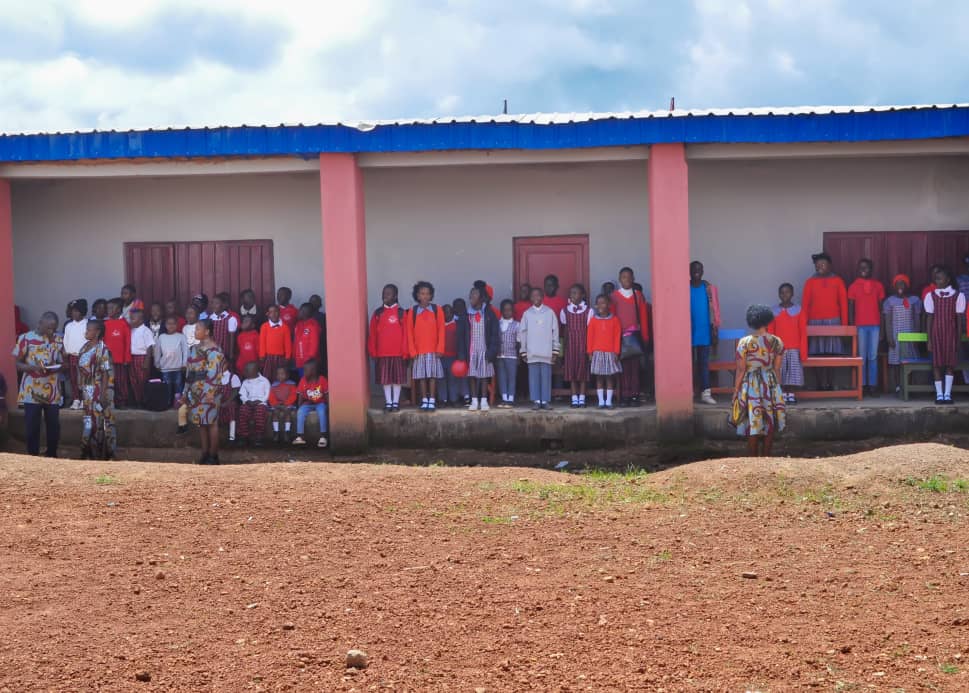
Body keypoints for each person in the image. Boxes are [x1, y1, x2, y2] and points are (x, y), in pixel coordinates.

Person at [730, 305, 786, 457]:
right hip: (770, 382)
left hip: (750, 384)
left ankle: (753, 459)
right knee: (769, 420)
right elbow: (777, 368)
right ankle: (766, 456)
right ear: (768, 321)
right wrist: (778, 389)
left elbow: (741, 370)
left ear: (751, 321)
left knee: (752, 419)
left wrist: (736, 391)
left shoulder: (744, 342)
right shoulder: (777, 342)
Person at [13, 312, 64, 457]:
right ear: (40, 323)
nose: (51, 331)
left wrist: (57, 366)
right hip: (31, 391)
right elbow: (17, 364)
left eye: (53, 328)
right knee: (32, 426)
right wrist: (34, 368)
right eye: (48, 328)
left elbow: (65, 363)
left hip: (52, 390)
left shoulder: (59, 339)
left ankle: (52, 454)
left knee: (54, 426)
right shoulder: (25, 338)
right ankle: (33, 456)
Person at [182, 319, 226, 464]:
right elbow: (189, 371)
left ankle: (213, 455)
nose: (195, 332)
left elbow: (214, 373)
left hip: (209, 390)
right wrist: (186, 391)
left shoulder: (214, 350)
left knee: (211, 422)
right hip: (195, 391)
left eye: (198, 329)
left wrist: (209, 392)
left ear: (207, 331)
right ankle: (205, 453)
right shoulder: (193, 349)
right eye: (195, 329)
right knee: (201, 423)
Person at [802, 252, 848, 390]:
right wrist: (804, 325)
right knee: (815, 354)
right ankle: (819, 383)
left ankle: (829, 382)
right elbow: (805, 305)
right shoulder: (809, 282)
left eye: (822, 264)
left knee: (832, 354)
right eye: (817, 265)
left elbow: (843, 304)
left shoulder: (838, 281)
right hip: (814, 323)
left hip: (833, 322)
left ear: (829, 265)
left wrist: (844, 326)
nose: (819, 267)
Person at [924, 266, 965, 404]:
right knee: (936, 364)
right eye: (936, 278)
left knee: (949, 364)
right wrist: (929, 339)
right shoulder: (931, 296)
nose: (937, 281)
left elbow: (959, 319)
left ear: (947, 280)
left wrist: (958, 338)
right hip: (937, 334)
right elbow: (929, 318)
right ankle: (939, 394)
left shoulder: (958, 296)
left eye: (940, 278)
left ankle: (947, 394)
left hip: (951, 334)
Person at [611, 267, 650, 407]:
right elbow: (612, 319)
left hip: (634, 338)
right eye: (623, 277)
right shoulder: (614, 296)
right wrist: (613, 339)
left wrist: (645, 337)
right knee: (623, 368)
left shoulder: (638, 295)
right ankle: (624, 395)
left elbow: (644, 318)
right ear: (619, 279)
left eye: (629, 277)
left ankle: (634, 395)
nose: (626, 280)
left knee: (635, 368)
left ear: (633, 279)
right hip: (621, 338)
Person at [77, 319, 116, 460]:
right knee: (88, 420)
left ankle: (103, 454)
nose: (86, 332)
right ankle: (88, 451)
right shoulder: (84, 347)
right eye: (86, 329)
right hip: (87, 390)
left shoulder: (103, 349)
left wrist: (103, 395)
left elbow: (106, 372)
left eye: (89, 329)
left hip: (99, 389)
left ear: (97, 332)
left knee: (100, 421)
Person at [456, 285, 499, 411]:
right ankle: (474, 400)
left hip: (485, 351)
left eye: (474, 294)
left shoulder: (489, 314)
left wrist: (491, 351)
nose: (471, 297)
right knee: (472, 376)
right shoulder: (466, 315)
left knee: (484, 376)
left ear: (482, 298)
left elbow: (494, 334)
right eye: (471, 294)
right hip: (472, 351)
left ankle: (484, 400)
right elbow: (460, 336)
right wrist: (462, 354)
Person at [847, 258, 886, 396]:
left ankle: (873, 385)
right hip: (860, 326)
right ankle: (861, 385)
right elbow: (850, 307)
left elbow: (881, 309)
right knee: (862, 356)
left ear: (871, 269)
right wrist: (852, 326)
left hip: (875, 325)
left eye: (867, 267)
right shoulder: (853, 286)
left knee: (873, 356)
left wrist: (882, 328)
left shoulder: (878, 285)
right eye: (861, 267)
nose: (864, 270)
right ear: (858, 269)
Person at [519, 286, 560, 411]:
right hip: (532, 352)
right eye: (533, 296)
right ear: (530, 298)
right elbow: (523, 333)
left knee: (546, 377)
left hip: (546, 352)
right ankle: (536, 401)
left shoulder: (549, 312)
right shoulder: (527, 314)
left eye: (538, 295)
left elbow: (555, 332)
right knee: (533, 377)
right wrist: (523, 350)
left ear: (542, 297)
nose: (536, 298)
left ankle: (545, 401)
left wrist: (555, 350)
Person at [368, 284, 408, 412]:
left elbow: (406, 334)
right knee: (385, 379)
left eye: (389, 293)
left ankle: (395, 403)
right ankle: (388, 402)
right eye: (384, 293)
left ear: (395, 296)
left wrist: (405, 351)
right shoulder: (378, 313)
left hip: (398, 353)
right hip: (382, 353)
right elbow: (372, 334)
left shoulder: (401, 313)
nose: (385, 295)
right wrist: (373, 351)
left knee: (397, 379)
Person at [407, 281, 446, 412]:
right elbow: (409, 333)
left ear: (431, 296)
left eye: (427, 294)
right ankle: (424, 400)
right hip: (419, 351)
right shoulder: (412, 311)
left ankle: (432, 400)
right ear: (417, 295)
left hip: (433, 351)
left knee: (432, 377)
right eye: (422, 293)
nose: (425, 296)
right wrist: (412, 351)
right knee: (422, 377)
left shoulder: (437, 310)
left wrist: (440, 348)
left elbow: (441, 330)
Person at [768, 283, 808, 404]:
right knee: (780, 371)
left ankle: (791, 393)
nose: (784, 295)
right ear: (779, 294)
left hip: (794, 347)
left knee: (792, 372)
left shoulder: (799, 310)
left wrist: (803, 351)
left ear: (792, 294)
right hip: (779, 349)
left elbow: (802, 331)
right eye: (782, 292)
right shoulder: (774, 311)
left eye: (787, 292)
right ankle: (782, 394)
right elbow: (770, 332)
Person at [882, 275, 922, 395]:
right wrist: (889, 337)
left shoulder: (914, 300)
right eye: (898, 284)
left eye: (903, 284)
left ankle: (909, 385)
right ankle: (898, 386)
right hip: (896, 336)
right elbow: (888, 321)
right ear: (894, 286)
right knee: (896, 363)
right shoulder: (890, 301)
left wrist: (916, 336)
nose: (900, 286)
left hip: (910, 337)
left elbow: (917, 319)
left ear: (907, 286)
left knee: (910, 361)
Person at [689, 261, 721, 405]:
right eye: (693, 269)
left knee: (703, 364)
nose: (696, 271)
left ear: (703, 271)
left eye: (699, 269)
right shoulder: (684, 287)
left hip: (704, 332)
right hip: (688, 333)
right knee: (688, 364)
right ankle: (688, 392)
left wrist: (715, 329)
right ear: (689, 271)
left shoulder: (708, 288)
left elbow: (715, 310)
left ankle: (705, 393)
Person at [587, 293, 622, 409]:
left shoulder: (615, 320)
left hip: (610, 353)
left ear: (609, 305)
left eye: (604, 303)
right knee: (599, 378)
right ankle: (601, 401)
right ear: (596, 306)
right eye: (599, 303)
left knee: (609, 378)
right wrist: (590, 352)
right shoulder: (593, 320)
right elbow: (590, 337)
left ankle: (609, 402)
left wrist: (616, 352)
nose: (601, 305)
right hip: (597, 353)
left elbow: (617, 337)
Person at [561, 283, 590, 408]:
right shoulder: (565, 311)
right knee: (572, 372)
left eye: (575, 292)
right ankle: (574, 398)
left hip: (583, 345)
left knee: (582, 372)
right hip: (571, 346)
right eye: (571, 293)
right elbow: (565, 330)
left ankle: (582, 398)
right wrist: (564, 348)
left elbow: (590, 331)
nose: (572, 295)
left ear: (582, 295)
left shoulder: (589, 311)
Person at [293, 359, 328, 448]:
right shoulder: (303, 380)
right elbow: (300, 395)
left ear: (313, 371)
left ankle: (323, 436)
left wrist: (329, 406)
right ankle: (300, 436)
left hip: (320, 402)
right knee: (300, 412)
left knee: (322, 412)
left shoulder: (322, 380)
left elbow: (326, 394)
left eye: (305, 370)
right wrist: (299, 406)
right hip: (307, 403)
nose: (304, 372)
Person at [154, 316, 189, 407]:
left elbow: (185, 351)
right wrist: (157, 364)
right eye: (169, 324)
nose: (171, 326)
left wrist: (184, 364)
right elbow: (157, 351)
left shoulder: (181, 337)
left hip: (178, 367)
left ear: (177, 325)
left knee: (178, 386)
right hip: (165, 368)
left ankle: (178, 403)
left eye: (173, 323)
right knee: (167, 387)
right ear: (165, 325)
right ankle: (167, 403)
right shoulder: (161, 337)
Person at [103, 299, 131, 409]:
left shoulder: (124, 324)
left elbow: (128, 342)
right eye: (108, 308)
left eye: (111, 308)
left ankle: (121, 401)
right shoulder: (105, 324)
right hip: (108, 360)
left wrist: (126, 359)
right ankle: (110, 401)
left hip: (120, 360)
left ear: (118, 309)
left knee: (121, 381)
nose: (108, 310)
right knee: (109, 381)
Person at [237, 361, 271, 447]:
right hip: (249, 403)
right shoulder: (245, 382)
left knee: (259, 413)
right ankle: (244, 436)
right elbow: (242, 395)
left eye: (247, 371)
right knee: (242, 410)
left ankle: (259, 437)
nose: (245, 372)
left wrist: (259, 401)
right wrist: (247, 401)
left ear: (255, 371)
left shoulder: (264, 381)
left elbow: (267, 394)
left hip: (260, 403)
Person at [64, 299, 89, 410]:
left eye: (77, 311)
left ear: (83, 312)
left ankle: (85, 399)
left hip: (85, 356)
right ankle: (76, 399)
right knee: (73, 378)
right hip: (72, 356)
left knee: (85, 379)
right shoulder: (69, 326)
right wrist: (66, 353)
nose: (74, 313)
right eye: (73, 311)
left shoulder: (88, 324)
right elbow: (66, 341)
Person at [128, 309, 155, 408]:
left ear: (141, 320)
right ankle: (137, 400)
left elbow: (149, 347)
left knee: (142, 380)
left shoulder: (146, 331)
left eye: (133, 319)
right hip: (132, 358)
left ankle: (144, 401)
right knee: (133, 380)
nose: (131, 321)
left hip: (142, 358)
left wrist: (147, 362)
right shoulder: (131, 330)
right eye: (130, 319)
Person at [496, 299, 520, 408]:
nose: (507, 312)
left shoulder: (516, 325)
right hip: (500, 355)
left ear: (513, 311)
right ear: (501, 311)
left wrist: (519, 356)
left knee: (511, 377)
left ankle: (511, 398)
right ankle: (504, 398)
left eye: (509, 310)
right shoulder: (498, 323)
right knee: (502, 377)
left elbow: (519, 341)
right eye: (505, 310)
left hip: (512, 355)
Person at [259, 304, 292, 381]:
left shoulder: (285, 327)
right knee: (267, 377)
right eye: (271, 312)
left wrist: (287, 357)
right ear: (268, 314)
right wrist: (262, 355)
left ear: (280, 313)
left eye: (275, 311)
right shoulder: (264, 326)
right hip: (268, 358)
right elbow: (262, 342)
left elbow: (288, 343)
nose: (273, 314)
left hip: (281, 358)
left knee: (280, 377)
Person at [437, 304, 459, 408]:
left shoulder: (456, 325)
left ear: (453, 313)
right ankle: (443, 399)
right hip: (440, 357)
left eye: (449, 312)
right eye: (444, 312)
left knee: (452, 379)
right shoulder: (438, 326)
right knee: (441, 378)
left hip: (453, 357)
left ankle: (453, 399)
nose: (447, 314)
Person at [269, 366, 298, 444]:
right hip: (277, 404)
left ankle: (287, 432)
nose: (280, 376)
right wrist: (276, 404)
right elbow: (271, 397)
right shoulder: (274, 385)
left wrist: (285, 403)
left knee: (287, 412)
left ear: (287, 375)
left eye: (282, 374)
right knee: (275, 413)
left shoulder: (291, 385)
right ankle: (276, 432)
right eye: (278, 374)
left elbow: (293, 396)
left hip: (288, 404)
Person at [450, 298, 471, 406]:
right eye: (456, 306)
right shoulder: (450, 319)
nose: (459, 309)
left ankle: (466, 396)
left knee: (464, 376)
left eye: (461, 306)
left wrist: (464, 353)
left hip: (462, 352)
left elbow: (465, 338)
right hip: (450, 353)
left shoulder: (466, 320)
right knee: (453, 377)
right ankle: (454, 398)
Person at [294, 303, 322, 377]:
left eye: (300, 310)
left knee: (311, 381)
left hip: (309, 362)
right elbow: (296, 342)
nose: (298, 312)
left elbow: (314, 344)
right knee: (302, 381)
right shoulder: (298, 325)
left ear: (304, 312)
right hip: (299, 360)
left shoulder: (313, 325)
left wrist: (310, 360)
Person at [209, 294, 238, 365]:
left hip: (225, 350)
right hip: (212, 350)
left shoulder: (230, 319)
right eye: (212, 303)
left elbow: (232, 337)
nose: (214, 305)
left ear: (223, 305)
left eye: (217, 303)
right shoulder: (210, 318)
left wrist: (231, 354)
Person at [221, 367, 242, 444]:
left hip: (230, 401)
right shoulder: (216, 376)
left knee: (231, 408)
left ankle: (232, 437)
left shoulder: (233, 376)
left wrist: (227, 402)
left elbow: (235, 391)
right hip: (219, 401)